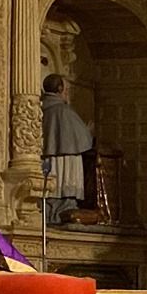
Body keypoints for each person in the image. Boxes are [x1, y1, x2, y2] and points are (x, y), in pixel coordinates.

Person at [40, 73, 94, 224]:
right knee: (63, 189)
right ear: (59, 89)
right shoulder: (64, 111)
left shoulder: (40, 108)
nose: (68, 93)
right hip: (64, 160)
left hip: (48, 160)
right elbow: (82, 139)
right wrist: (87, 132)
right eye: (67, 89)